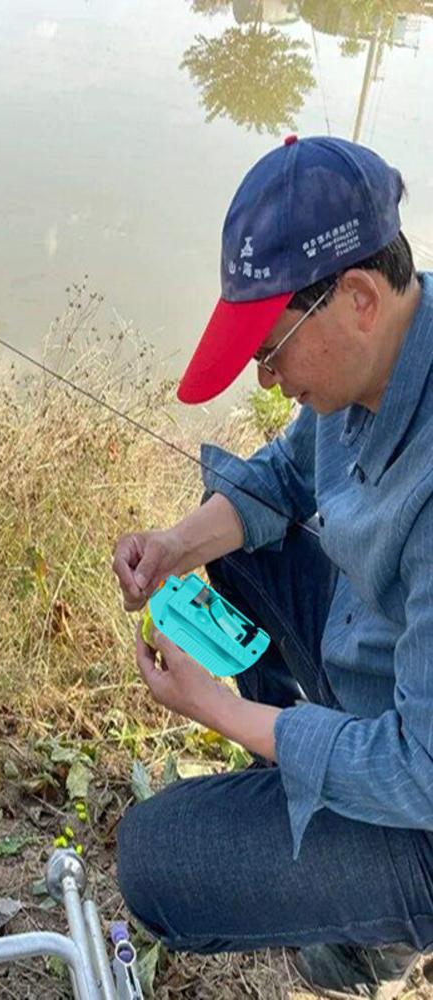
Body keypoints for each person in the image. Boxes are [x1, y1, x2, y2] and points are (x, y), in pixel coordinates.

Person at [111, 135, 433, 1000]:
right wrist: (176, 545)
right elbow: (286, 478)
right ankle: (309, 766)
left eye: (271, 347)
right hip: (387, 676)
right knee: (241, 537)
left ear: (358, 298)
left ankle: (378, 938)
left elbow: (420, 768)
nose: (264, 376)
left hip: (426, 800)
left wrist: (218, 709)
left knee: (153, 864)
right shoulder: (377, 357)